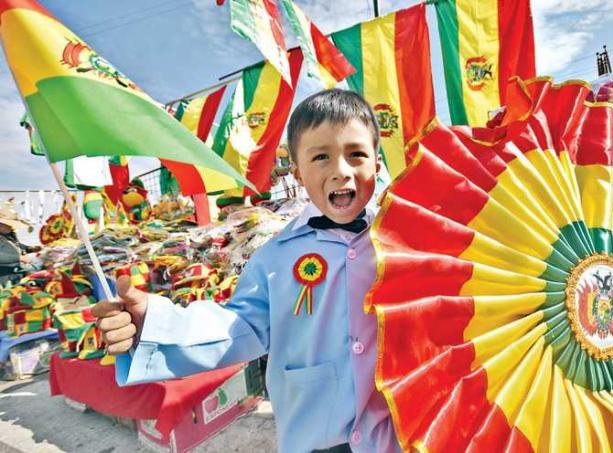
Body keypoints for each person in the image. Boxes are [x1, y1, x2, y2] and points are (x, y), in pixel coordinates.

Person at [92, 89, 401, 453]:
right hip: (316, 434)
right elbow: (239, 326)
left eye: (357, 155)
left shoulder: (403, 243)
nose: (341, 171)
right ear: (298, 173)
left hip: (395, 433)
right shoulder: (273, 258)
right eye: (321, 157)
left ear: (377, 165)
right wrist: (153, 324)